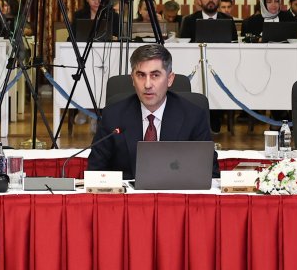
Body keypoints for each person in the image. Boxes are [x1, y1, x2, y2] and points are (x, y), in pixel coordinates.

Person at [87, 44, 216, 179]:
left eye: (155, 75)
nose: (147, 85)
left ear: (170, 79)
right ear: (132, 79)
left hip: (175, 195)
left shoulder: (193, 116)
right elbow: (95, 171)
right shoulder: (113, 116)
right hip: (128, 197)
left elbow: (210, 173)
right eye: (141, 75)